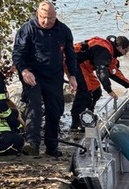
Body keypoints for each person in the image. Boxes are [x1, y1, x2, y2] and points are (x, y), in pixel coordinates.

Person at [12, 1, 78, 157]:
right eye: (43, 18)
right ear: (37, 14)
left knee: (54, 110)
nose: (47, 22)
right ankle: (32, 143)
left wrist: (73, 76)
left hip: (54, 75)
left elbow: (70, 56)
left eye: (51, 18)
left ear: (55, 16)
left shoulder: (64, 30)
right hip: (32, 74)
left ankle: (51, 146)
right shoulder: (27, 29)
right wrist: (24, 71)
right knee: (34, 106)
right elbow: (17, 53)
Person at [69, 36, 129, 133]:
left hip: (83, 65)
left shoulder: (111, 53)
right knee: (85, 91)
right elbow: (101, 71)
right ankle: (76, 123)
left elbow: (113, 72)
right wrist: (109, 90)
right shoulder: (104, 49)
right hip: (72, 61)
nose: (125, 54)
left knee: (96, 91)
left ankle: (88, 116)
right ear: (119, 47)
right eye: (125, 51)